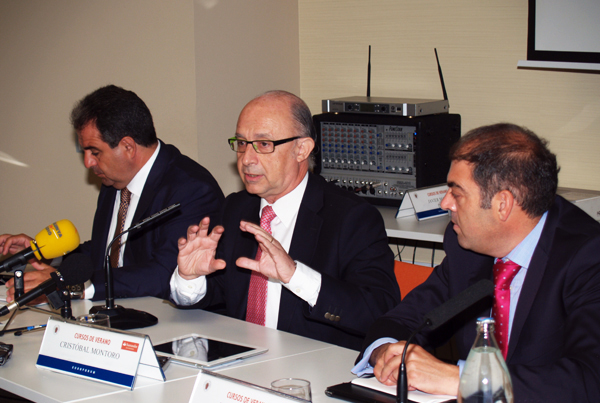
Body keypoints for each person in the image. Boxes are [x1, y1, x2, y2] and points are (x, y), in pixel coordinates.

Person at [353, 123, 600, 403]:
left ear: (502, 205)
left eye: (456, 193)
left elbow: (590, 381)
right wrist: (387, 351)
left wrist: (461, 380)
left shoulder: (587, 257)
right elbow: (406, 319)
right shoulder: (466, 248)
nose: (445, 203)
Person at [170, 90, 400, 350]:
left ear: (302, 149)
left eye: (264, 144)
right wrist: (190, 279)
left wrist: (295, 275)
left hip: (310, 372)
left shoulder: (351, 218)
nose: (246, 159)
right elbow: (221, 298)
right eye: (242, 143)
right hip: (239, 370)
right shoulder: (236, 208)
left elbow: (378, 311)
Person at [0, 85, 224, 302]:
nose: (88, 162)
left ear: (128, 146)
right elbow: (106, 251)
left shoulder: (191, 189)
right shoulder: (113, 182)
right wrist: (41, 252)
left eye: (94, 152)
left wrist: (66, 283)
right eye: (85, 152)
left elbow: (164, 273)